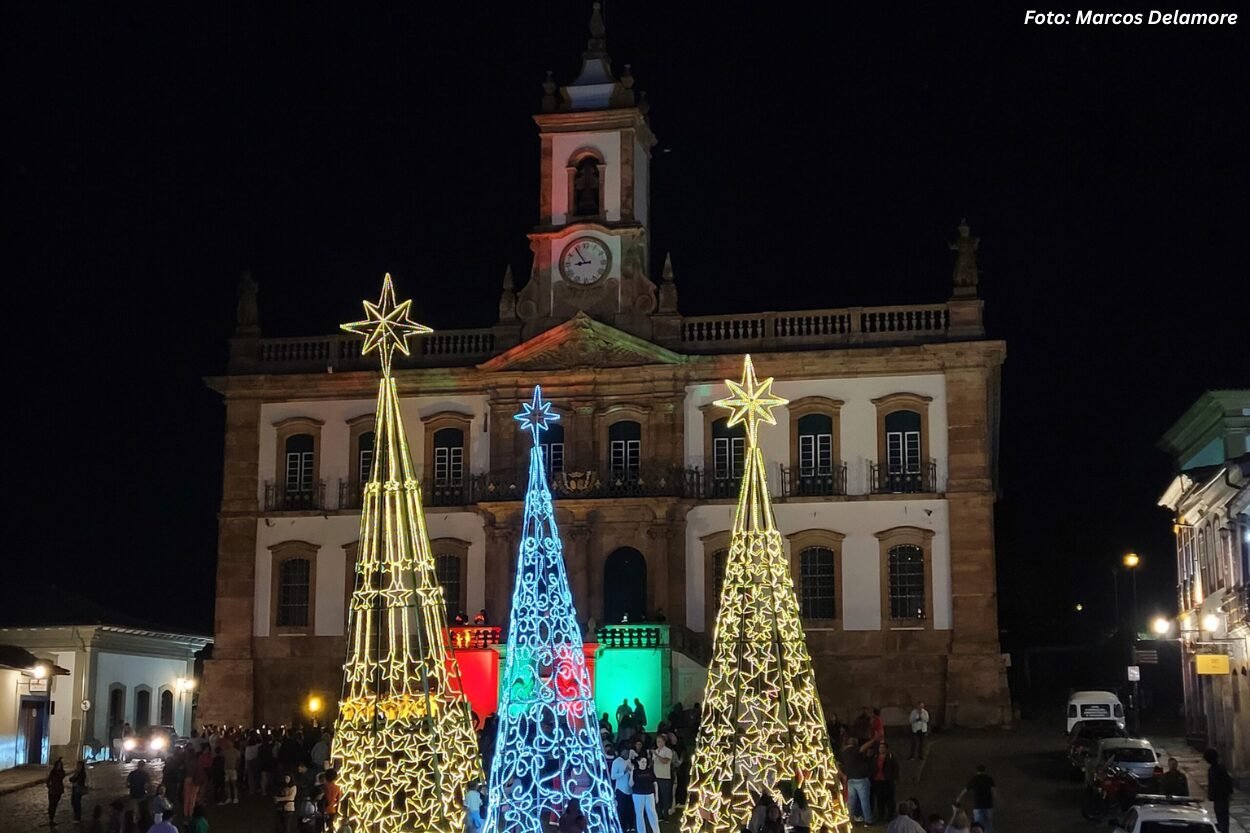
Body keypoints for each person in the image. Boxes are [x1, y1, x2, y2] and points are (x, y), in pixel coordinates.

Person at [838, 736, 873, 824]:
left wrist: (842, 775)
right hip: (860, 778)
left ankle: (849, 818)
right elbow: (864, 747)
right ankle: (868, 820)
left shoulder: (843, 752)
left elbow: (837, 764)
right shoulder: (854, 750)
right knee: (864, 801)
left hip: (850, 779)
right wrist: (874, 739)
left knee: (850, 801)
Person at [954, 765, 995, 833]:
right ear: (984, 770)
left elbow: (965, 790)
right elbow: (994, 790)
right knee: (988, 824)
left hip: (977, 805)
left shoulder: (973, 779)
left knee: (978, 825)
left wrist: (958, 799)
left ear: (977, 771)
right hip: (988, 804)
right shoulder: (989, 778)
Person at [608, 741, 635, 833]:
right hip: (620, 790)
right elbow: (613, 776)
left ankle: (630, 826)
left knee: (630, 810)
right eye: (625, 752)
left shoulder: (629, 761)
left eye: (628, 752)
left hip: (630, 789)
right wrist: (624, 772)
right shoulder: (616, 761)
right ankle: (622, 827)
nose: (627, 754)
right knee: (621, 810)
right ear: (621, 752)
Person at [1205, 748, 1233, 833]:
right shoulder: (1219, 768)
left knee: (1222, 817)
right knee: (1223, 818)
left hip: (1219, 797)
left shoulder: (1214, 770)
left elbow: (1219, 783)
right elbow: (1228, 781)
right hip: (1221, 797)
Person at [872, 741, 901, 822]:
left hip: (887, 781)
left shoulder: (891, 757)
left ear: (887, 749)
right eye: (880, 748)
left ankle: (890, 815)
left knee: (889, 799)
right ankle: (881, 815)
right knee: (879, 799)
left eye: (883, 748)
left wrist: (894, 779)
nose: (881, 749)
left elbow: (896, 768)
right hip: (877, 781)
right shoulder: (875, 757)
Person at [630, 755, 660, 833]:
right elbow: (631, 784)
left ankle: (656, 831)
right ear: (638, 762)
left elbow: (655, 783)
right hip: (638, 794)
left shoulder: (649, 771)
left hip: (649, 794)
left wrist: (656, 795)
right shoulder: (635, 771)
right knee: (639, 814)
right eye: (642, 762)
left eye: (645, 762)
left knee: (652, 813)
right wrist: (631, 773)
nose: (644, 764)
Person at [652, 733, 675, 819]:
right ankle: (659, 815)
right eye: (657, 742)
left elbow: (665, 761)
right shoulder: (656, 751)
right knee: (658, 797)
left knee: (665, 797)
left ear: (664, 742)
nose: (658, 743)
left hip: (665, 777)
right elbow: (653, 762)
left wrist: (657, 755)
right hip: (656, 777)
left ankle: (666, 816)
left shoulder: (668, 751)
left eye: (660, 741)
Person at [46, 758, 66, 826]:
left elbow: (61, 776)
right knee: (51, 804)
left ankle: (51, 818)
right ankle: (51, 818)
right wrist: (49, 786)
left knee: (54, 805)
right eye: (58, 765)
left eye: (60, 765)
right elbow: (48, 780)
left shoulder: (61, 772)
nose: (59, 766)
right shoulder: (52, 772)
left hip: (58, 791)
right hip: (52, 791)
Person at [221, 737, 241, 804]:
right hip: (227, 769)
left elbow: (238, 760)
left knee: (233, 783)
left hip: (233, 769)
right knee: (227, 784)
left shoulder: (236, 751)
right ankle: (229, 797)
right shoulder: (225, 751)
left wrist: (236, 767)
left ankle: (235, 797)